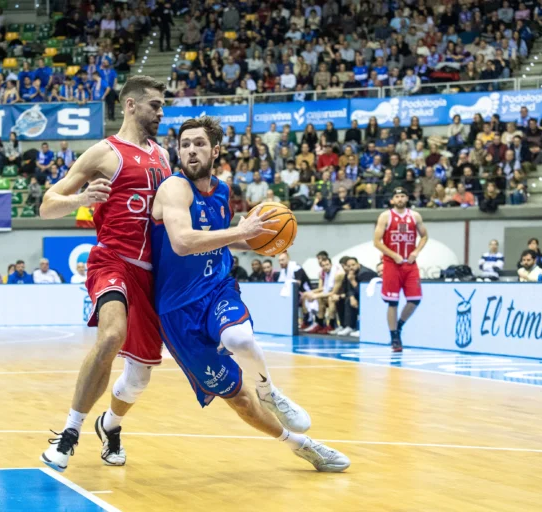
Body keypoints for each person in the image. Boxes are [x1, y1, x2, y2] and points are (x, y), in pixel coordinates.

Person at [149, 116, 349, 472]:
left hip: (216, 287)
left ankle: (270, 392)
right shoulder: (174, 189)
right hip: (178, 311)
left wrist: (258, 242)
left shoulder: (223, 190)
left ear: (216, 150)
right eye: (185, 145)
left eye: (199, 143)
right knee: (239, 400)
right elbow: (181, 243)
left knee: (239, 338)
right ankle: (302, 445)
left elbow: (223, 235)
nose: (191, 150)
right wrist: (240, 233)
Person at [39, 76, 172, 473]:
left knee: (138, 380)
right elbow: (47, 205)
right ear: (130, 105)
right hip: (111, 259)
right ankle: (69, 432)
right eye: (154, 105)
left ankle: (109, 425)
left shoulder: (163, 157)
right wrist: (81, 199)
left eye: (162, 106)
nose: (160, 113)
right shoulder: (102, 153)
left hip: (152, 273)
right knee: (111, 335)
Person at [373, 188, 429, 352]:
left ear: (407, 198)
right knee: (393, 302)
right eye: (396, 196)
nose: (399, 199)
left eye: (402, 196)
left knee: (415, 299)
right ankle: (394, 338)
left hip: (410, 264)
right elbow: (377, 242)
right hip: (392, 263)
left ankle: (399, 325)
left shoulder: (415, 216)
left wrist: (416, 251)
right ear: (392, 200)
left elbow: (424, 236)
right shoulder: (385, 216)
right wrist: (393, 255)